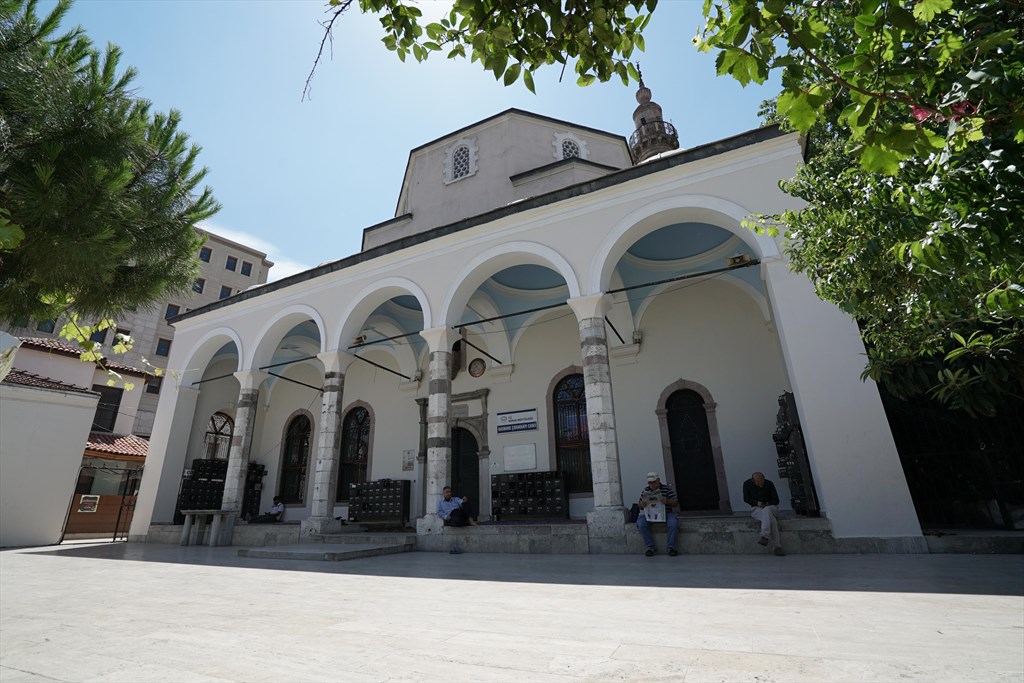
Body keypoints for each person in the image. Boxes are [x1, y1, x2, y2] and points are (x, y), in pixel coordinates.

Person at [636, 472, 679, 557]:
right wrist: (641, 504)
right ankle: (650, 547)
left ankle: (671, 547)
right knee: (640, 522)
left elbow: (676, 502)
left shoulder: (667, 489)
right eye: (650, 483)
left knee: (673, 523)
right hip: (650, 514)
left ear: (658, 480)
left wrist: (667, 501)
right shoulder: (646, 491)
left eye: (654, 482)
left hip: (666, 513)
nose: (652, 485)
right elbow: (640, 506)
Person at [743, 472, 785, 556]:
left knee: (767, 509)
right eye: (758, 482)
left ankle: (765, 535)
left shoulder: (769, 484)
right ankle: (777, 547)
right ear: (753, 481)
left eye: (762, 481)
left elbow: (776, 500)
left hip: (771, 507)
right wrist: (757, 503)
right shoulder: (747, 484)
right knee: (772, 520)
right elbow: (746, 499)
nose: (760, 483)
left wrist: (767, 503)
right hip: (756, 508)